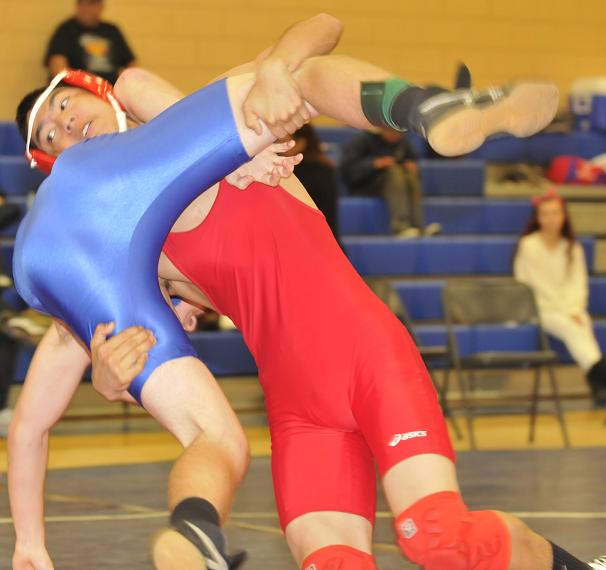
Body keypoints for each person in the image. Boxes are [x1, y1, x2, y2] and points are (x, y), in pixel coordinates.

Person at [12, 18, 584, 570]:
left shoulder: (224, 126)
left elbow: (323, 26)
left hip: (366, 356)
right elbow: (55, 385)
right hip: (296, 409)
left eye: (64, 107)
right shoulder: (137, 258)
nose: (65, 127)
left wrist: (278, 74)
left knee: (440, 540)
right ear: (55, 170)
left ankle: (429, 109)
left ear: (98, 91)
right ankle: (191, 535)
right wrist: (108, 379)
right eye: (50, 137)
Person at [514, 188, 606, 406]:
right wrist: (566, 311)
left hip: (571, 309)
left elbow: (578, 283)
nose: (551, 219)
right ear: (537, 217)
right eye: (545, 213)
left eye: (555, 213)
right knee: (572, 326)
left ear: (564, 216)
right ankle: (599, 373)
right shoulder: (529, 246)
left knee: (579, 322)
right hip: (540, 309)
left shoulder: (572, 247)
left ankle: (598, 379)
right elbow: (531, 287)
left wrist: (574, 309)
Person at [340, 127, 440, 237]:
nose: (397, 135)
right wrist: (375, 164)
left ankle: (418, 227)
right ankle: (401, 226)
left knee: (410, 175)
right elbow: (347, 170)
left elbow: (412, 160)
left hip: (397, 184)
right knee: (394, 172)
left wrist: (412, 167)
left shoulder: (403, 144)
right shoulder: (362, 139)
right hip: (365, 184)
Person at [44, 0, 136, 84]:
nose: (86, 8)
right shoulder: (66, 30)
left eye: (91, 4)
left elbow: (131, 64)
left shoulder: (112, 31)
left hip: (111, 89)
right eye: (82, 3)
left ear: (101, 7)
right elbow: (58, 67)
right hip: (79, 88)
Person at [286, 123, 339, 237]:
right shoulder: (323, 168)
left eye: (283, 142)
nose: (278, 148)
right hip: (321, 239)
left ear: (300, 143)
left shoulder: (311, 172)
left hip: (313, 239)